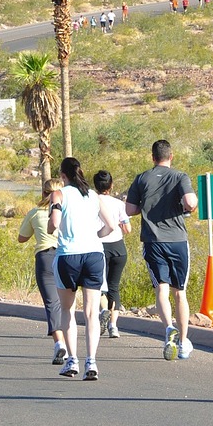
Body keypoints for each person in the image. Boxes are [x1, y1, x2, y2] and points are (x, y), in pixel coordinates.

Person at [125, 139, 198, 362]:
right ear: (171, 156)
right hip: (177, 240)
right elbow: (190, 202)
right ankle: (183, 341)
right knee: (180, 293)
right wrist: (188, 206)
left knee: (161, 290)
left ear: (153, 157)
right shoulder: (180, 176)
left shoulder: (141, 178)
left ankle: (168, 329)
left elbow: (130, 209)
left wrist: (146, 204)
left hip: (152, 241)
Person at [49, 158, 115, 380]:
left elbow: (54, 223)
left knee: (67, 310)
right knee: (91, 312)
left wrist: (50, 226)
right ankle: (91, 362)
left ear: (62, 175)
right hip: (94, 254)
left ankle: (72, 361)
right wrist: (96, 236)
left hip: (68, 255)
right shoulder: (93, 195)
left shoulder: (59, 195)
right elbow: (111, 226)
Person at [17, 179, 67, 365]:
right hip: (66, 255)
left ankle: (59, 343)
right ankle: (71, 346)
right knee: (67, 303)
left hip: (45, 257)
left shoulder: (35, 213)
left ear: (43, 192)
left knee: (52, 303)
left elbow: (22, 238)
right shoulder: (67, 211)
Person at [94, 170, 132, 338]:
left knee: (98, 285)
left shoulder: (92, 201)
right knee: (114, 287)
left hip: (99, 246)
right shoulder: (119, 204)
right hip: (118, 248)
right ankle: (114, 326)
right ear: (111, 185)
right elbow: (128, 229)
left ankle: (103, 310)